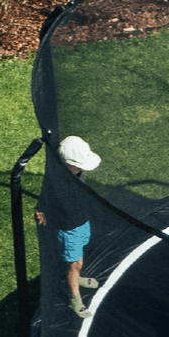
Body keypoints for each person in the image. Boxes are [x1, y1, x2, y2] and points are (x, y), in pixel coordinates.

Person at [34, 135, 102, 320]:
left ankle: (76, 277)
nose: (82, 168)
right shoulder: (58, 182)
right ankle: (75, 298)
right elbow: (46, 197)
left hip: (82, 222)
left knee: (78, 259)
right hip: (69, 229)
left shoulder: (76, 173)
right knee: (74, 263)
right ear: (67, 163)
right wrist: (41, 210)